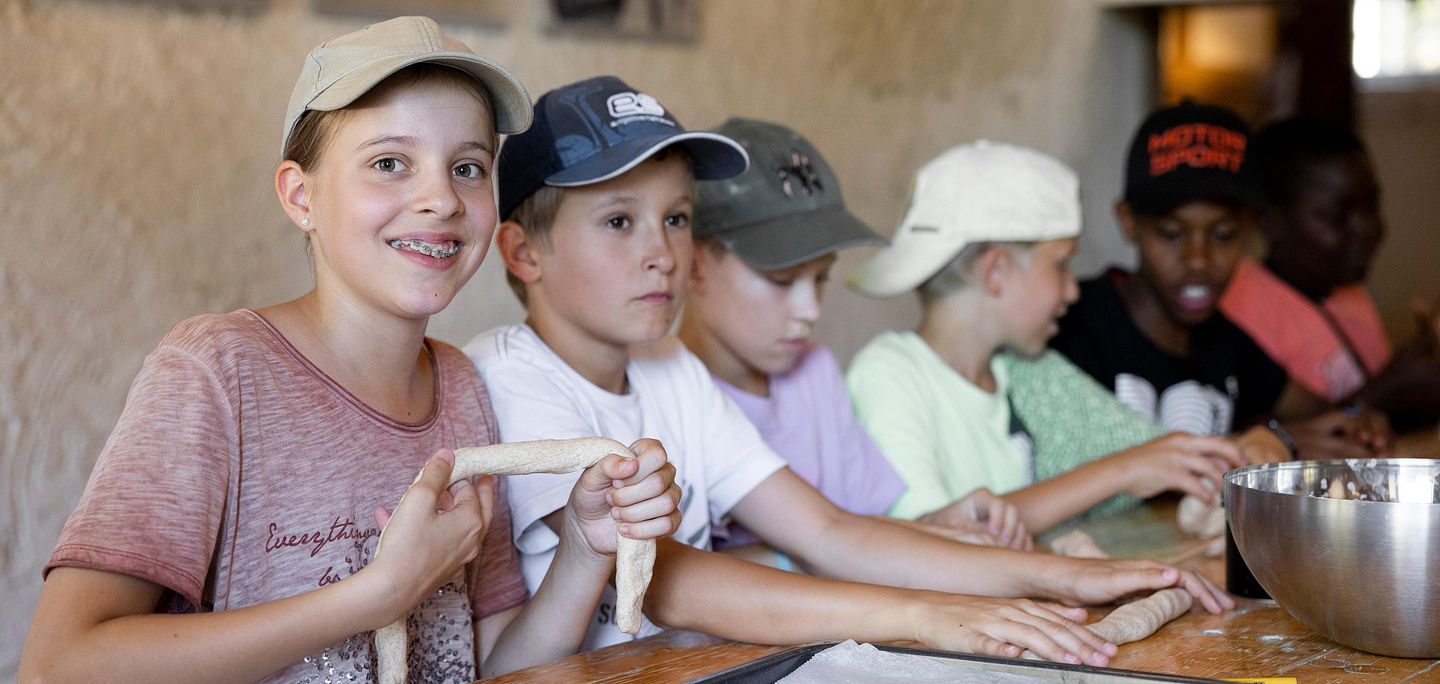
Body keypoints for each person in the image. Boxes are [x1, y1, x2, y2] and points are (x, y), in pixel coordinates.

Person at [469, 76, 1232, 668]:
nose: (662, 253)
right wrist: (923, 613)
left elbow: (830, 530)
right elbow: (667, 578)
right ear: (523, 253)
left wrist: (1053, 579)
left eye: (675, 219)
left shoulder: (669, 369)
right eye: (618, 221)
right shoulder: (510, 378)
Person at [19, 18, 679, 683]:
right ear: (301, 196)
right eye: (389, 163)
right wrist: (373, 597)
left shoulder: (462, 386)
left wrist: (586, 549)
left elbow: (498, 663)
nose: (441, 198)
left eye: (468, 167)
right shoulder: (217, 371)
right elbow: (59, 664)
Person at [846, 140, 1249, 534]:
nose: (1072, 291)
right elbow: (931, 540)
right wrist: (1122, 471)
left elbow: (1157, 452)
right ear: (996, 272)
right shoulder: (888, 373)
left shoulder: (1022, 372)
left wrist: (1257, 448)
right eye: (1061, 265)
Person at [678, 117, 1031, 556]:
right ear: (693, 264)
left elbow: (859, 529)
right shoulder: (664, 400)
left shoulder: (814, 374)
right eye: (782, 280)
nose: (810, 310)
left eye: (822, 278)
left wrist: (935, 528)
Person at [1050, 102, 1385, 460]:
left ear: (1252, 228)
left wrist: (1357, 423)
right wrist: (1270, 441)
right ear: (1128, 222)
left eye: (1224, 235)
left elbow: (1323, 414)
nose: (1198, 260)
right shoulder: (1070, 328)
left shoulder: (1228, 346)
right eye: (1171, 234)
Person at [1221, 114, 1440, 432]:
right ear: (1270, 221)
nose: (1367, 228)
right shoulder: (1241, 311)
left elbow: (1387, 428)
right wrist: (1389, 388)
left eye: (1373, 206)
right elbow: (1280, 448)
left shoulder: (1349, 293)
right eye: (1337, 216)